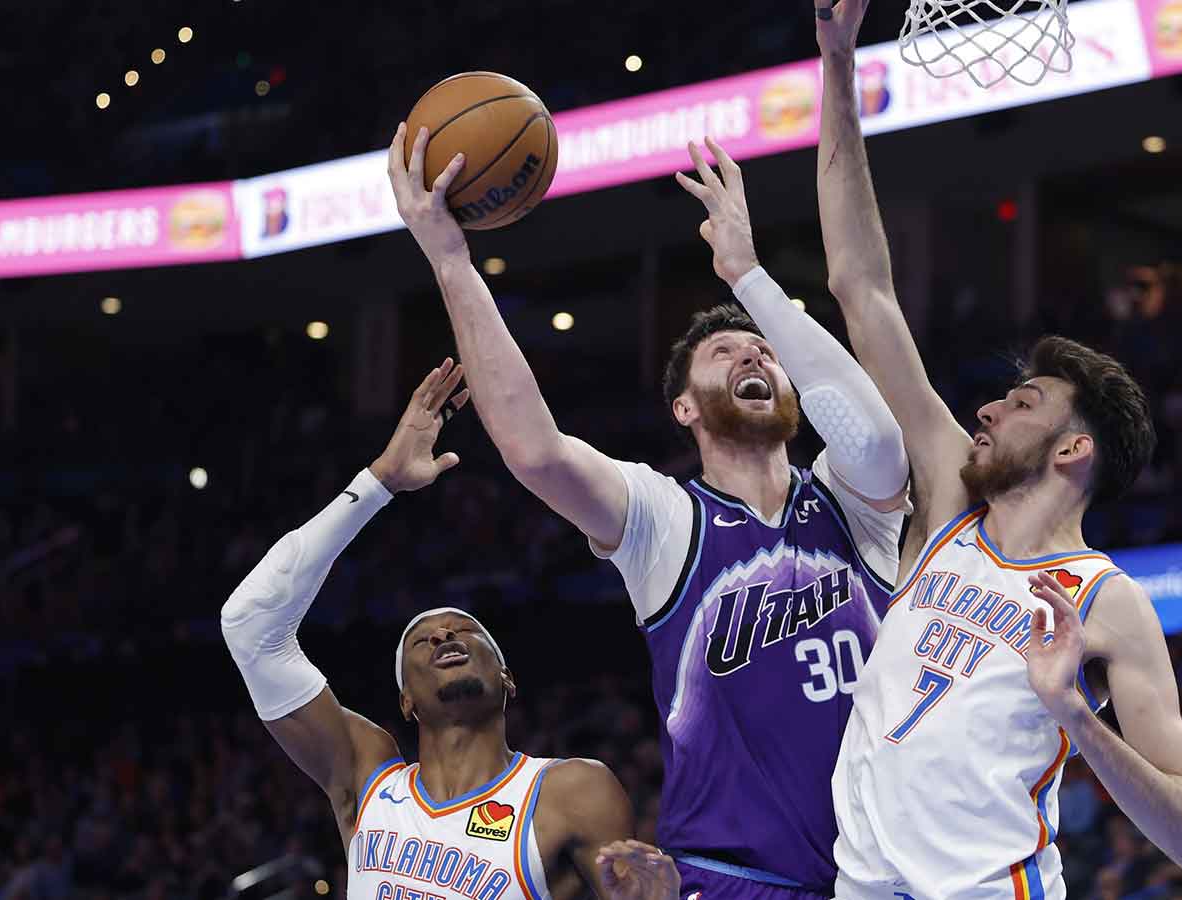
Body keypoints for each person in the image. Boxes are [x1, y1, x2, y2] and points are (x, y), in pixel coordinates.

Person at [387, 118, 910, 898]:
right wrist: (450, 258)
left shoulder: (853, 500)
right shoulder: (668, 522)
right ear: (685, 410)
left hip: (889, 869)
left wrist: (749, 279)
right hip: (735, 878)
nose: (753, 354)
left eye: (763, 349)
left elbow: (875, 435)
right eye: (724, 352)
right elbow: (536, 450)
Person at [809, 2, 1182, 896]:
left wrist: (1075, 713)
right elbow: (860, 285)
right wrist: (838, 67)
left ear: (1075, 448)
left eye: (1023, 401)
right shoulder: (952, 504)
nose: (991, 408)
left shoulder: (1110, 605)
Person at [220, 361, 677, 900]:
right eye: (421, 640)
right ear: (406, 700)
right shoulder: (366, 777)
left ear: (506, 678)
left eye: (464, 631)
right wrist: (379, 483)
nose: (442, 637)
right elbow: (249, 622)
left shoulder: (570, 790)